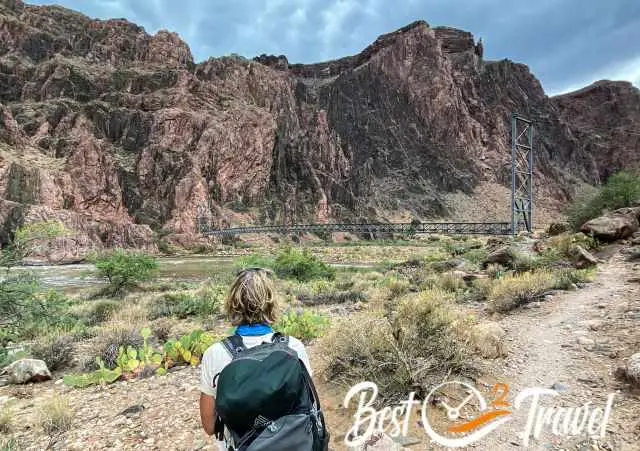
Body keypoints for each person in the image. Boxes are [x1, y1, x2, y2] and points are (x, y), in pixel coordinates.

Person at [199, 267, 314, 450]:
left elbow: (210, 427)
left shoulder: (215, 354)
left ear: (232, 303)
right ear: (271, 302)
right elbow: (308, 405)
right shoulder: (294, 347)